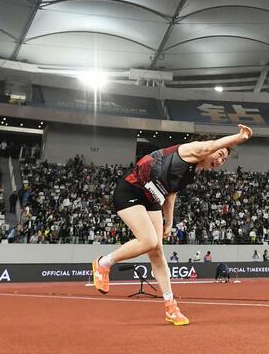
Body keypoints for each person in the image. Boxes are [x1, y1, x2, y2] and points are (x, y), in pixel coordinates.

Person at [92, 124, 253, 326]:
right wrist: (238, 138)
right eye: (220, 154)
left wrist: (169, 221)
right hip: (130, 191)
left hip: (152, 199)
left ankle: (170, 307)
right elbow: (209, 146)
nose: (220, 160)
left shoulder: (192, 172)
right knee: (149, 241)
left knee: (158, 251)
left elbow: (171, 193)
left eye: (224, 159)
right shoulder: (190, 149)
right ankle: (103, 263)